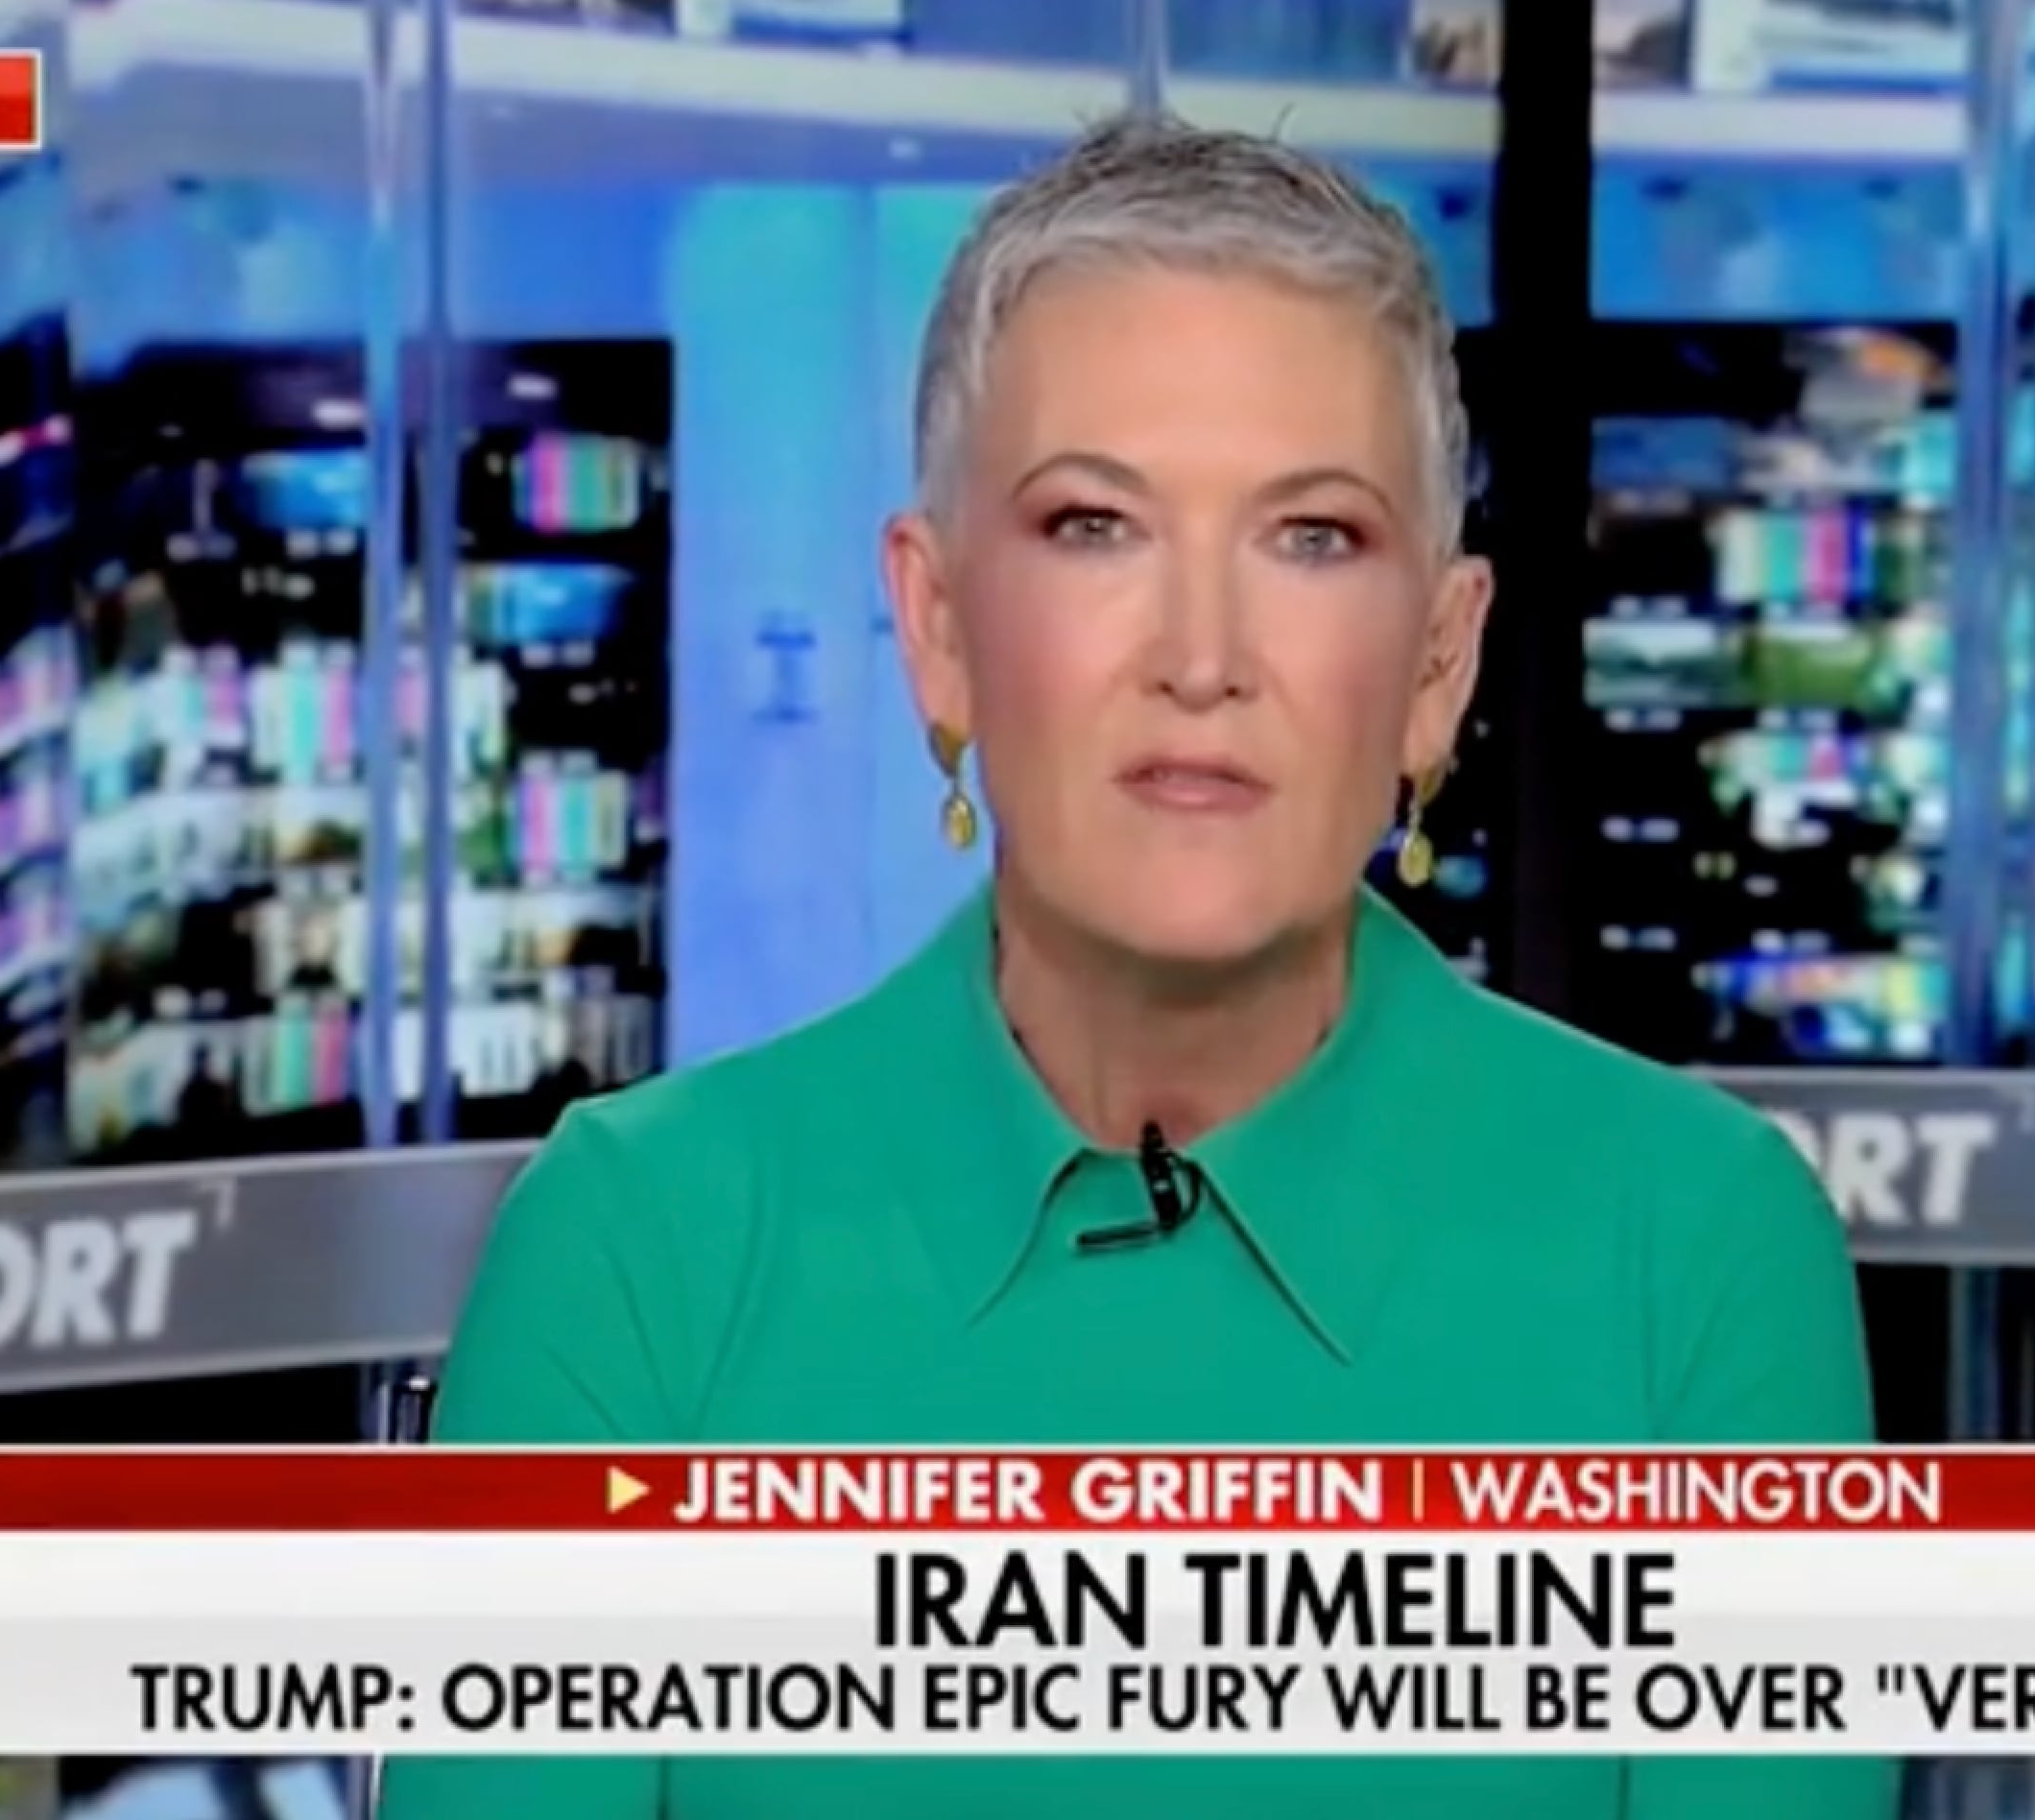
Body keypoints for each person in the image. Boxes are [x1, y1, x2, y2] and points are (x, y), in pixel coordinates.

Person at [383, 113, 1888, 1820]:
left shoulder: (1693, 1253)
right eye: (1094, 523)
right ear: (937, 626)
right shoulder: (638, 1252)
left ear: (1436, 662)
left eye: (1309, 537)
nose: (1200, 657)